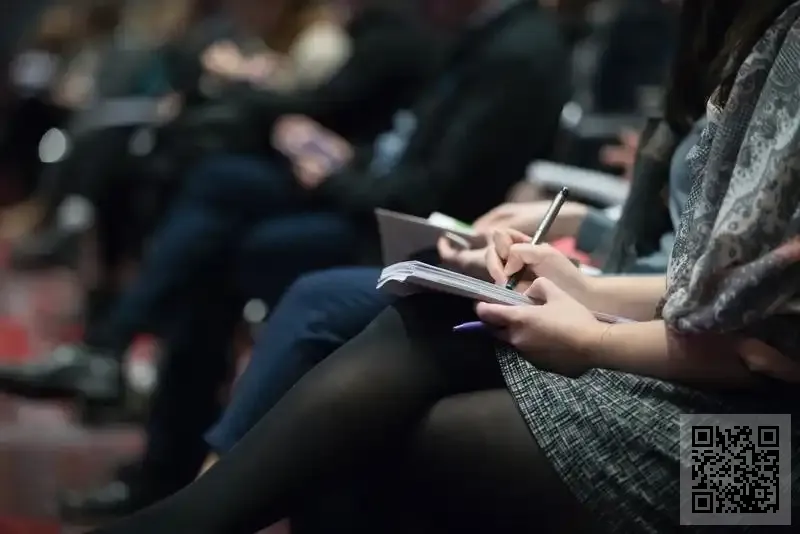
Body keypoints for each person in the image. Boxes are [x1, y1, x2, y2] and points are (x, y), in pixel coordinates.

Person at [83, 1, 800, 532]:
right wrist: (587, 288)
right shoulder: (754, 37)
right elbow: (713, 295)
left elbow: (765, 344)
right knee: (422, 324)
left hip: (768, 470)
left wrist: (593, 337)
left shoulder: (787, 47)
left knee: (395, 437)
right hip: (728, 409)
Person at [33, 0, 570, 521]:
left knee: (268, 269)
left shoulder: (507, 48)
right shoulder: (471, 32)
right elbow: (402, 148)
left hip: (427, 239)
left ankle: (184, 479)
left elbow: (433, 189)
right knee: (217, 195)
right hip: (387, 207)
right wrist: (342, 160)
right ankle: (171, 464)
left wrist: (336, 174)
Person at [201, 113, 706, 465]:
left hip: (742, 450)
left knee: (406, 430)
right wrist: (581, 272)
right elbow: (696, 287)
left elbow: (738, 336)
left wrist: (595, 334)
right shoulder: (731, 57)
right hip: (687, 364)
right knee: (402, 336)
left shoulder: (757, 66)